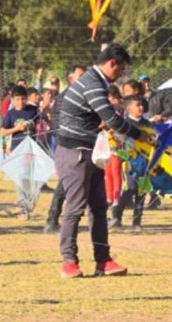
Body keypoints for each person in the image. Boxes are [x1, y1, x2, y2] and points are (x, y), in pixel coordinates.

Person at [56, 43, 151, 278]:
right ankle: (69, 261)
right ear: (112, 63)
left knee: (99, 207)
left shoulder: (97, 82)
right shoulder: (92, 83)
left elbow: (99, 117)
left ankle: (103, 260)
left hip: (92, 152)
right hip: (74, 152)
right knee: (75, 208)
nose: (122, 76)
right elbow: (111, 118)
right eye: (121, 70)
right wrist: (140, 134)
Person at [44, 64, 87, 233]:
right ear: (71, 79)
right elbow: (57, 123)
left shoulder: (88, 96)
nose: (85, 78)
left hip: (87, 145)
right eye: (81, 75)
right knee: (65, 183)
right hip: (70, 146)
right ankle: (52, 219)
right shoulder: (64, 98)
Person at [109, 95, 151, 231]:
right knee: (130, 189)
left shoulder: (147, 124)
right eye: (137, 105)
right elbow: (118, 140)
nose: (141, 107)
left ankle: (136, 222)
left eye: (142, 105)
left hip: (145, 163)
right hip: (129, 163)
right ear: (129, 108)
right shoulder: (124, 123)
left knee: (141, 192)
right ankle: (116, 217)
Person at [0, 84, 41, 219]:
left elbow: (44, 117)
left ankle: (26, 204)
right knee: (19, 179)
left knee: (29, 181)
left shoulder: (33, 110)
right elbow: (3, 131)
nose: (20, 102)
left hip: (31, 151)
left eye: (23, 99)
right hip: (17, 151)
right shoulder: (11, 114)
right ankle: (23, 209)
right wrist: (17, 129)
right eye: (17, 99)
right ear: (12, 100)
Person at [104, 85, 125, 209]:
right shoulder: (105, 110)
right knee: (107, 172)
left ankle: (116, 197)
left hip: (117, 145)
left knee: (116, 171)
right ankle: (109, 196)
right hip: (106, 145)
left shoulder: (119, 110)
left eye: (112, 97)